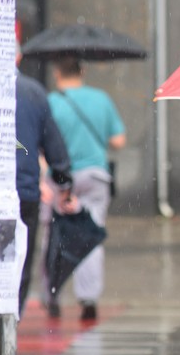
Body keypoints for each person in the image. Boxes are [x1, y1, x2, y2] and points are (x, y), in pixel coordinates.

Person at [46, 57, 126, 320]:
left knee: (54, 236)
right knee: (90, 235)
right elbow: (118, 140)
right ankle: (88, 298)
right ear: (83, 70)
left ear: (57, 72)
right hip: (95, 176)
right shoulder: (101, 99)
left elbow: (41, 144)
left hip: (60, 178)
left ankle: (52, 294)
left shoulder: (52, 102)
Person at [15, 41, 73, 314]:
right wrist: (63, 180)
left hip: (20, 188)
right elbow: (54, 147)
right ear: (16, 55)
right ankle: (9, 323)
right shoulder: (34, 93)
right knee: (17, 262)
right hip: (22, 192)